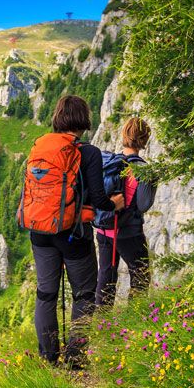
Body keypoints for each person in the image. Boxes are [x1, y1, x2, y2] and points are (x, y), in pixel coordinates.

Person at [27, 95, 123, 367]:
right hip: (74, 233)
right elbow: (98, 198)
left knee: (46, 293)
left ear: (58, 117)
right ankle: (75, 357)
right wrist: (114, 204)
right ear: (83, 119)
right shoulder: (87, 152)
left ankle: (48, 358)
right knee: (83, 293)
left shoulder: (41, 146)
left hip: (40, 231)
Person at [95, 117, 157, 307]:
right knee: (140, 275)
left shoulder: (109, 162)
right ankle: (134, 321)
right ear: (144, 140)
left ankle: (101, 325)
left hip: (104, 230)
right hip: (129, 232)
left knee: (106, 278)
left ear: (124, 135)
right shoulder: (143, 169)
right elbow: (144, 205)